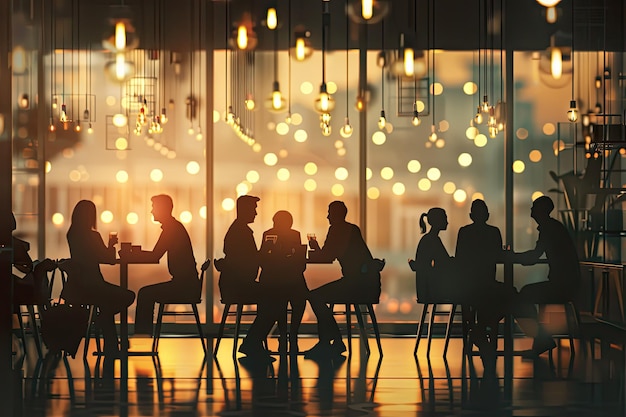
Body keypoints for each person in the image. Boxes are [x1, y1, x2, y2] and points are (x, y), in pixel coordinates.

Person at [304, 201, 384, 359]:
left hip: (355, 285)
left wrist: (314, 249)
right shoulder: (352, 229)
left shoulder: (337, 229)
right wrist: (319, 249)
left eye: (329, 213)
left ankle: (331, 341)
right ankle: (329, 342)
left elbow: (328, 256)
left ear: (336, 215)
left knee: (314, 296)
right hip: (368, 284)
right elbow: (330, 254)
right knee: (317, 296)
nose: (327, 216)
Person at [510, 195, 581, 355]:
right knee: (526, 293)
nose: (531, 210)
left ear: (541, 211)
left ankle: (542, 338)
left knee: (522, 296)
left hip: (561, 286)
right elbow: (535, 256)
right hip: (567, 284)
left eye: (534, 207)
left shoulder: (548, 229)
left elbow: (534, 257)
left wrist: (512, 257)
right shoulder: (553, 227)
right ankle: (541, 339)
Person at [65, 200, 135, 358]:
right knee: (128, 296)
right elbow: (109, 259)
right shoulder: (93, 235)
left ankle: (110, 343)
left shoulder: (71, 234)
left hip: (79, 286)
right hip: (95, 286)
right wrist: (111, 245)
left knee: (106, 306)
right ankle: (105, 324)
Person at [133, 194, 199, 335]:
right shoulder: (174, 227)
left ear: (163, 209)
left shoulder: (171, 230)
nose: (151, 211)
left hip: (183, 286)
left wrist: (132, 254)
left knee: (145, 294)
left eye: (154, 207)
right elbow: (155, 255)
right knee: (145, 293)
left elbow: (155, 255)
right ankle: (143, 337)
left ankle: (142, 337)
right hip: (188, 284)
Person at [455, 200, 513, 348]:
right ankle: (482, 328)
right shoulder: (494, 232)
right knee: (510, 294)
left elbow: (459, 258)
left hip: (468, 286)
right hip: (488, 284)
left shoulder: (464, 232)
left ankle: (478, 330)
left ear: (471, 215)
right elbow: (499, 256)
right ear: (488, 215)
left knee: (485, 300)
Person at [256, 210, 308, 355]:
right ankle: (291, 334)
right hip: (280, 277)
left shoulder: (273, 234)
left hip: (274, 277)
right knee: (296, 297)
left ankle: (285, 334)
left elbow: (262, 258)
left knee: (285, 297)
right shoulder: (288, 234)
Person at [408, 207, 457, 301]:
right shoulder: (433, 240)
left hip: (424, 289)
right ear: (438, 221)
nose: (447, 222)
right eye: (445, 219)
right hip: (430, 290)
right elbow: (445, 261)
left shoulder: (429, 238)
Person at [11, 212, 57, 308]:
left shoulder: (13, 243)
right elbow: (26, 268)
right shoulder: (13, 244)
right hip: (16, 289)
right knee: (39, 267)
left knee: (38, 265)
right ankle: (43, 305)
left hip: (13, 283)